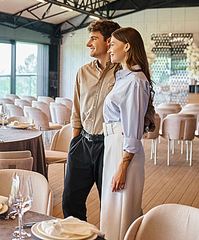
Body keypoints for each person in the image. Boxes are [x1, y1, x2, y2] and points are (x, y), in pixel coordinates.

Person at [62, 20, 154, 221]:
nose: (88, 43)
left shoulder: (125, 73)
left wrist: (136, 127)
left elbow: (146, 109)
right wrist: (75, 142)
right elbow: (76, 111)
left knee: (111, 205)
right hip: (83, 144)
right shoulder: (82, 72)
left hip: (110, 145)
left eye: (94, 38)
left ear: (109, 41)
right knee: (70, 202)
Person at [100, 27, 152, 240]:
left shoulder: (135, 81)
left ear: (127, 46)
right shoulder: (125, 77)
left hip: (123, 149)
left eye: (112, 44)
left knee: (121, 210)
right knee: (113, 209)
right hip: (114, 144)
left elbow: (133, 127)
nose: (109, 49)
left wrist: (123, 165)